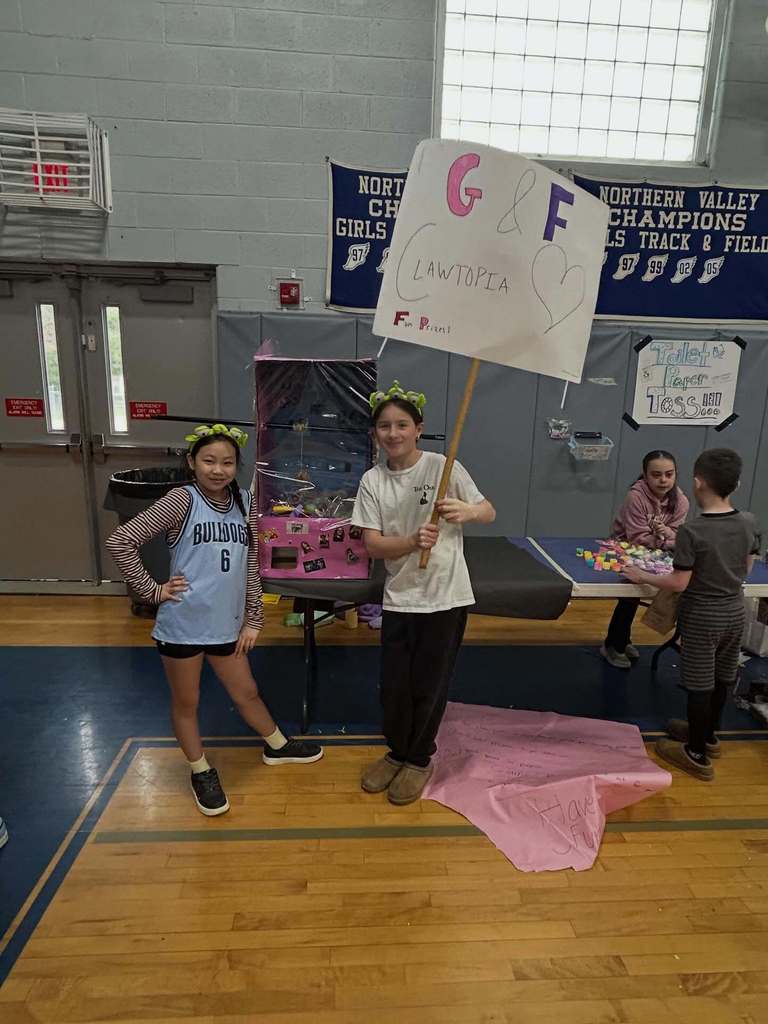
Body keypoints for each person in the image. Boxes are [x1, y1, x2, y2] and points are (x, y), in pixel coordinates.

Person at [107, 423, 322, 817]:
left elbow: (252, 564)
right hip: (183, 626)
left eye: (226, 462)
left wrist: (254, 619)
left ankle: (276, 744)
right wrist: (152, 591)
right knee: (187, 702)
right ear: (192, 462)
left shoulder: (243, 502)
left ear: (236, 465)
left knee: (248, 692)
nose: (218, 469)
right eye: (208, 460)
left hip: (228, 624)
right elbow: (121, 540)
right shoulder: (181, 499)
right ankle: (200, 769)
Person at [351, 382, 496, 805]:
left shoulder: (443, 466)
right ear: (375, 433)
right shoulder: (373, 480)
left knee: (430, 683)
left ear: (418, 428)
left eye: (401, 425)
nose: (393, 433)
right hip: (400, 596)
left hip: (445, 595)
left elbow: (487, 510)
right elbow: (374, 545)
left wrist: (464, 511)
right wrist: (414, 541)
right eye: (384, 426)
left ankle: (419, 758)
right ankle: (396, 752)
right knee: (394, 684)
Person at [624, 448, 761, 781]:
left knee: (699, 684)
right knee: (723, 676)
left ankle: (696, 753)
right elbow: (747, 565)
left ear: (698, 483)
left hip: (703, 615)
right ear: (737, 483)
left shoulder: (693, 530)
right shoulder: (749, 521)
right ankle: (709, 735)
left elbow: (679, 581)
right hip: (734, 611)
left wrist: (643, 576)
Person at [601, 450, 689, 669]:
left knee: (678, 588)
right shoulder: (635, 497)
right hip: (626, 550)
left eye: (669, 474)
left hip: (659, 554)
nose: (663, 480)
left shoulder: (682, 501)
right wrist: (668, 539)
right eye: (656, 474)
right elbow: (637, 537)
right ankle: (614, 645)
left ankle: (623, 640)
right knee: (630, 595)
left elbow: (678, 535)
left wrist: (668, 537)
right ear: (645, 475)